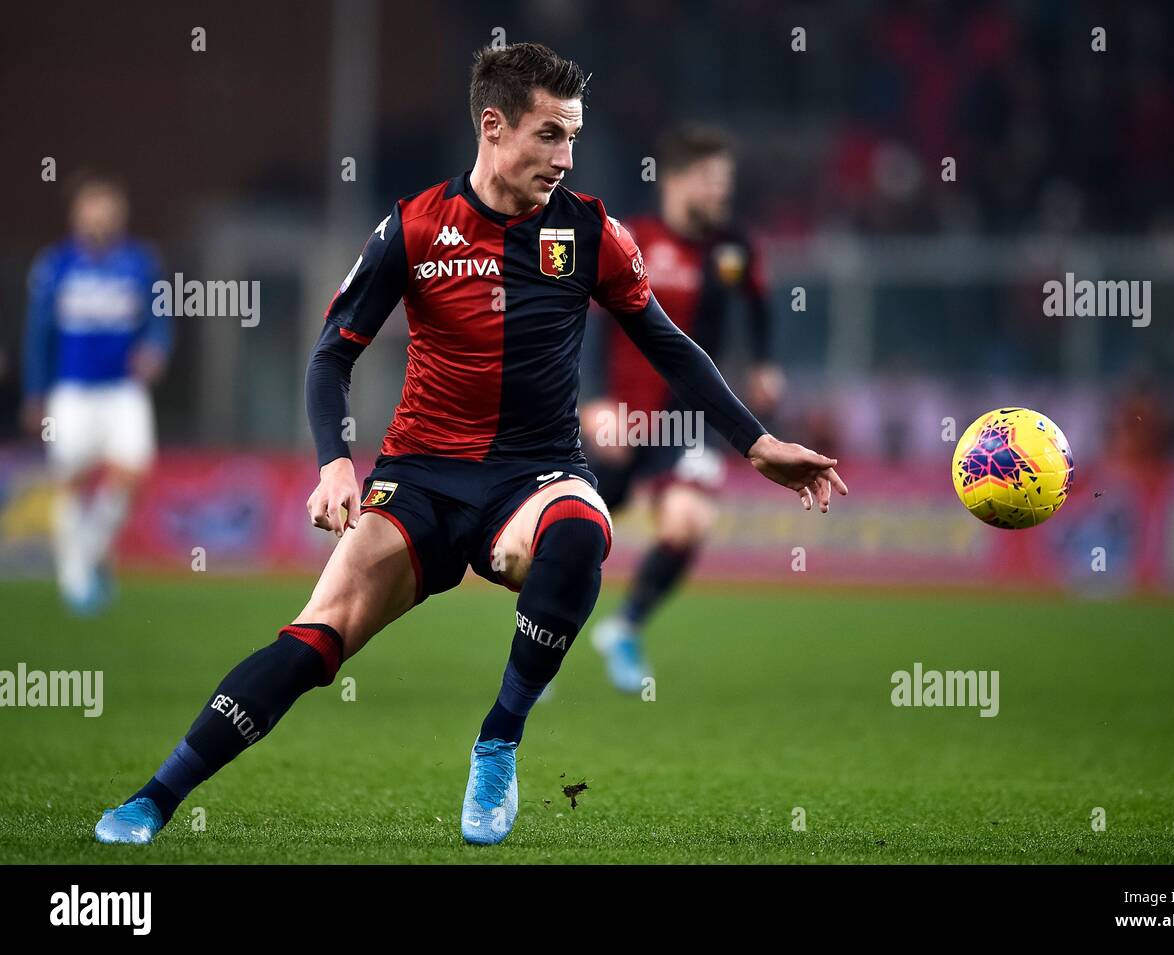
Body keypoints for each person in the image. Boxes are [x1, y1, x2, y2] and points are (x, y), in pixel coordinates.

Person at [93, 42, 845, 849]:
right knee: (313, 642)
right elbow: (332, 353)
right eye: (550, 135)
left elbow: (668, 345)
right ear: (494, 125)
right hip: (417, 479)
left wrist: (757, 442)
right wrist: (335, 460)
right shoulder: (415, 226)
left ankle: (499, 739)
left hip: (536, 473)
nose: (566, 157)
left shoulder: (590, 230)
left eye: (574, 137)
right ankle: (154, 797)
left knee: (581, 532)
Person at [581, 124, 784, 691]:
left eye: (728, 180)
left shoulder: (732, 248)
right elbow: (590, 325)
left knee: (690, 520)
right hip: (620, 417)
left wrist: (765, 362)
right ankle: (538, 643)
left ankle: (624, 627)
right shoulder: (630, 238)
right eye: (714, 180)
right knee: (570, 537)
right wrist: (593, 402)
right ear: (676, 181)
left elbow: (760, 303)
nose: (724, 191)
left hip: (685, 418)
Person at [22, 175, 170, 615]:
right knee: (71, 480)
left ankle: (89, 551)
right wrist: (35, 392)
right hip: (72, 390)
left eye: (107, 207)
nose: (100, 216)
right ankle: (75, 580)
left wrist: (156, 348)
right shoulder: (55, 264)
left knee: (135, 469)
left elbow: (159, 317)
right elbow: (38, 333)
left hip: (123, 389)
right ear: (77, 214)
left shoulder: (139, 262)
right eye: (92, 207)